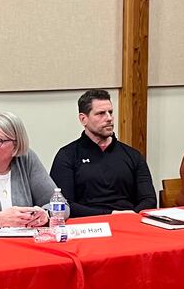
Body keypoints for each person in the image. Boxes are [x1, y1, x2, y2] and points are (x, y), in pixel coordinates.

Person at [49, 89, 157, 217]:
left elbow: (149, 199)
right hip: (88, 226)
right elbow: (64, 205)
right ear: (84, 119)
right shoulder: (67, 156)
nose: (109, 118)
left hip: (129, 221)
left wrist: (130, 216)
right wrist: (110, 214)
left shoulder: (133, 155)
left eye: (110, 112)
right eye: (101, 113)